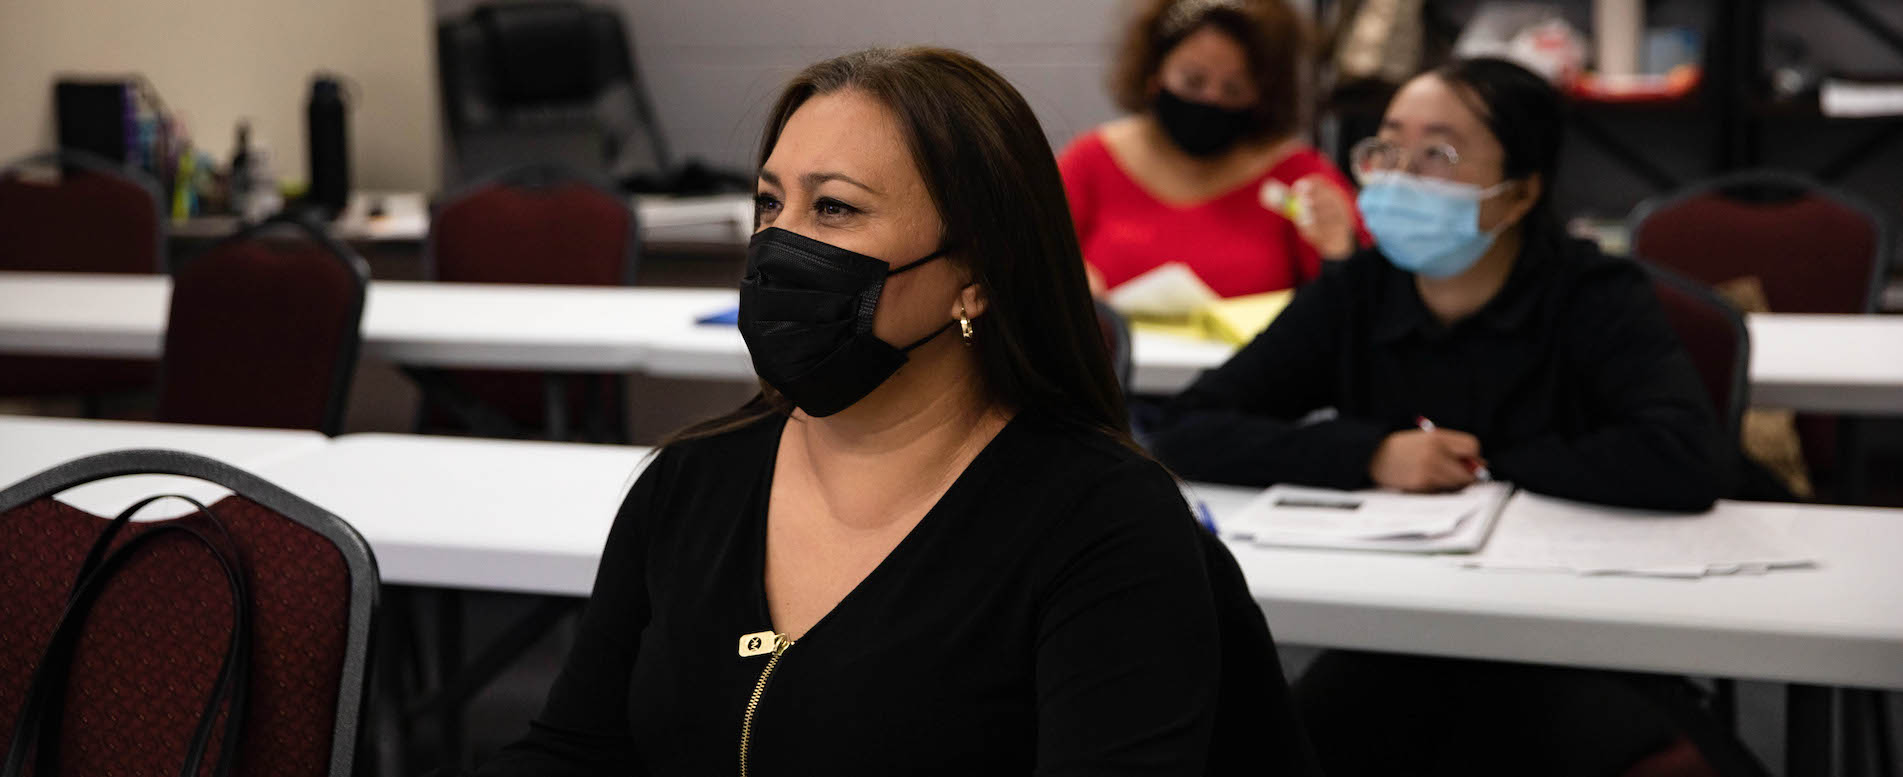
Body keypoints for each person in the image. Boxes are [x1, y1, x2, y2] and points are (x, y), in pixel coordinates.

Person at [468, 47, 1312, 777]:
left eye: (833, 208)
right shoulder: (690, 480)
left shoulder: (1100, 521)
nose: (778, 243)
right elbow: (574, 751)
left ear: (975, 271)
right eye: (769, 203)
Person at [1149, 58, 1739, 776]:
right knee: (1279, 748)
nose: (1398, 175)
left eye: (1437, 154)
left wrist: (1490, 462)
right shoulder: (1358, 292)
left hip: (1572, 634)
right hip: (1405, 631)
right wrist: (1371, 455)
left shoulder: (1593, 294)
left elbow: (1681, 454)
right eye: (1387, 148)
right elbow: (1188, 423)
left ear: (1519, 192)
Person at [1059, 0, 1367, 299]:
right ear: (1154, 74)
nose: (1211, 99)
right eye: (1193, 81)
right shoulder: (1089, 161)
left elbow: (1358, 297)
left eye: (1233, 89)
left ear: (1262, 95)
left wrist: (1341, 249)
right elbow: (1026, 260)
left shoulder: (1299, 176)